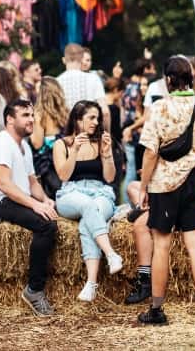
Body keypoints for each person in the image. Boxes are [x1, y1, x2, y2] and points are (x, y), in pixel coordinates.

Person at [134, 54, 195, 327]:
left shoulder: (160, 108)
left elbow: (150, 153)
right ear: (191, 78)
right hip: (194, 181)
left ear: (168, 79)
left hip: (163, 184)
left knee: (162, 245)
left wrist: (144, 186)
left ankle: (157, 310)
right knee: (194, 244)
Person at [0, 98, 59, 316]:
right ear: (10, 119)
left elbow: (32, 183)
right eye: (25, 115)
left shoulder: (24, 146)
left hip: (11, 199)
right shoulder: (1, 143)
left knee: (50, 215)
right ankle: (35, 290)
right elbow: (4, 185)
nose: (32, 120)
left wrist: (46, 200)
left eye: (32, 115)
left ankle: (36, 289)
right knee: (46, 226)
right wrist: (35, 206)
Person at [53, 100, 123, 301]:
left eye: (97, 118)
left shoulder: (101, 142)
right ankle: (111, 253)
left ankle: (91, 284)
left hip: (100, 192)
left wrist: (107, 155)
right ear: (77, 119)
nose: (96, 122)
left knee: (88, 219)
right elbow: (63, 176)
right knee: (88, 206)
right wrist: (74, 150)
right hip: (71, 194)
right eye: (91, 117)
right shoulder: (62, 144)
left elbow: (110, 178)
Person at [59, 44, 107, 112]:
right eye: (85, 60)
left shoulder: (95, 76)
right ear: (80, 59)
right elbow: (105, 111)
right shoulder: (94, 78)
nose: (85, 63)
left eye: (88, 60)